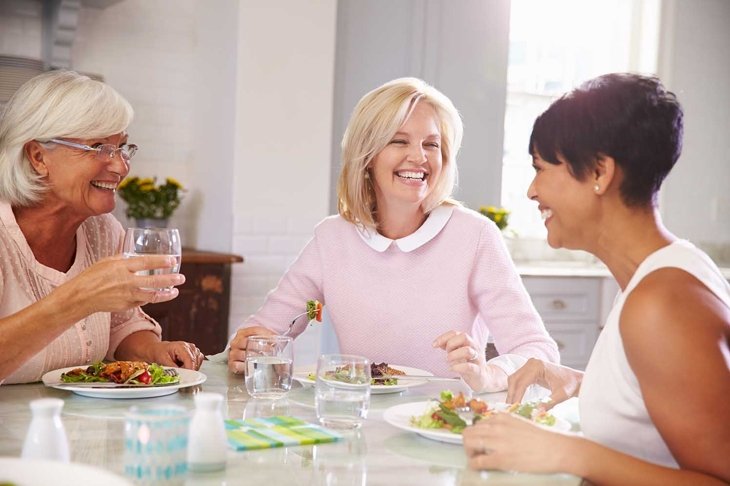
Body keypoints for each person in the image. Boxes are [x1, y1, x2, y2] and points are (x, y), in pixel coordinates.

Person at [462, 73, 730, 484]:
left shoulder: (662, 305)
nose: (532, 191)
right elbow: (665, 403)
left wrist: (569, 452)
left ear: (600, 172)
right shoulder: (663, 275)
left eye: (541, 168)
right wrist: (576, 381)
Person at [228, 77, 559, 391]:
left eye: (432, 144)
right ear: (367, 155)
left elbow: (538, 351)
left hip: (443, 428)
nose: (419, 157)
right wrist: (246, 349)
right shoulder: (332, 238)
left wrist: (489, 374)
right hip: (356, 424)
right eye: (399, 141)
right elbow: (265, 332)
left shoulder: (474, 236)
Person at [0, 70, 204, 385]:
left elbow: (119, 325)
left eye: (122, 147)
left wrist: (153, 351)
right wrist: (79, 298)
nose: (121, 166)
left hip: (79, 426)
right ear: (38, 156)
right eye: (98, 147)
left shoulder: (102, 231)